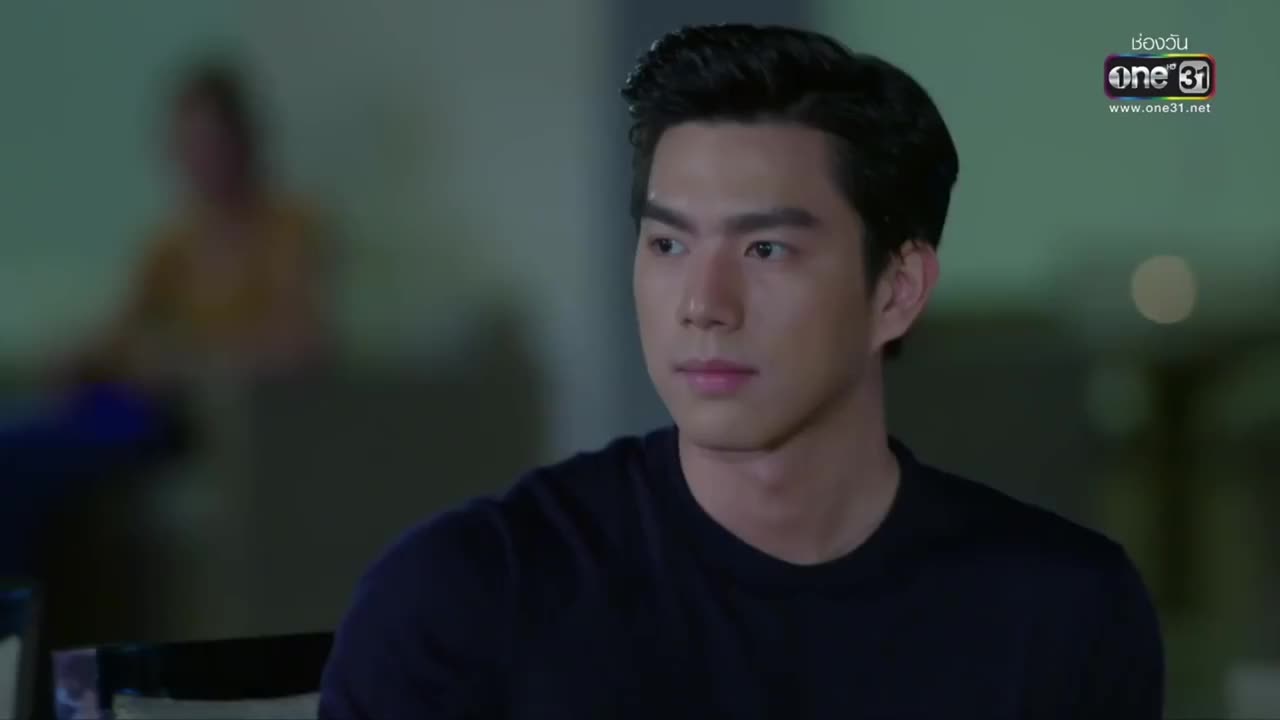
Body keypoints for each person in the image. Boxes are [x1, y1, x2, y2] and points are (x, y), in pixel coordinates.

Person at [318, 24, 1164, 719]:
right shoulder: (467, 596)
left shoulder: (1061, 613)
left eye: (765, 249)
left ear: (896, 290)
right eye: (668, 244)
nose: (703, 303)